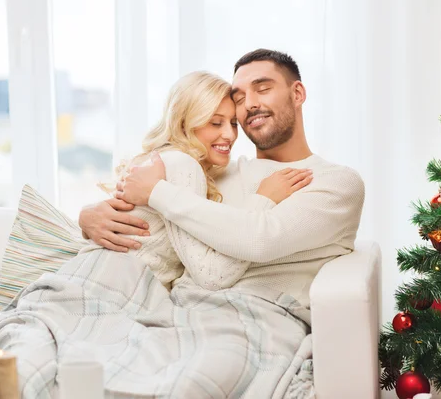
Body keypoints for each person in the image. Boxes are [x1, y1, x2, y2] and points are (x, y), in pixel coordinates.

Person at [81, 48, 365, 325]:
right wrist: (88, 216)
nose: (249, 104)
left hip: (253, 318)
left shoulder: (335, 182)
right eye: (239, 98)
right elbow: (144, 221)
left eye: (262, 88)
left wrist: (157, 192)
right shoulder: (210, 171)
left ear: (297, 93)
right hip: (170, 311)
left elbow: (261, 239)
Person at [82, 70, 313, 291]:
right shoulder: (183, 165)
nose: (230, 135)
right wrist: (263, 199)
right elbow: (212, 276)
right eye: (215, 123)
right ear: (184, 124)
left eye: (233, 123)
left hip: (109, 280)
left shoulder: (168, 163)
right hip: (113, 287)